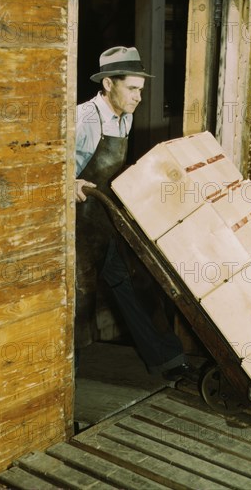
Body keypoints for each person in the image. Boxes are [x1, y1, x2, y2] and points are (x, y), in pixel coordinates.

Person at [74, 46, 198, 382]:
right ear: (109, 84)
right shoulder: (84, 119)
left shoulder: (124, 116)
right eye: (132, 89)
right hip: (77, 231)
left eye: (141, 90)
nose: (139, 97)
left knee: (136, 287)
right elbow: (51, 167)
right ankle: (60, 388)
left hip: (109, 221)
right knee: (76, 306)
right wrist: (67, 181)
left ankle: (168, 360)